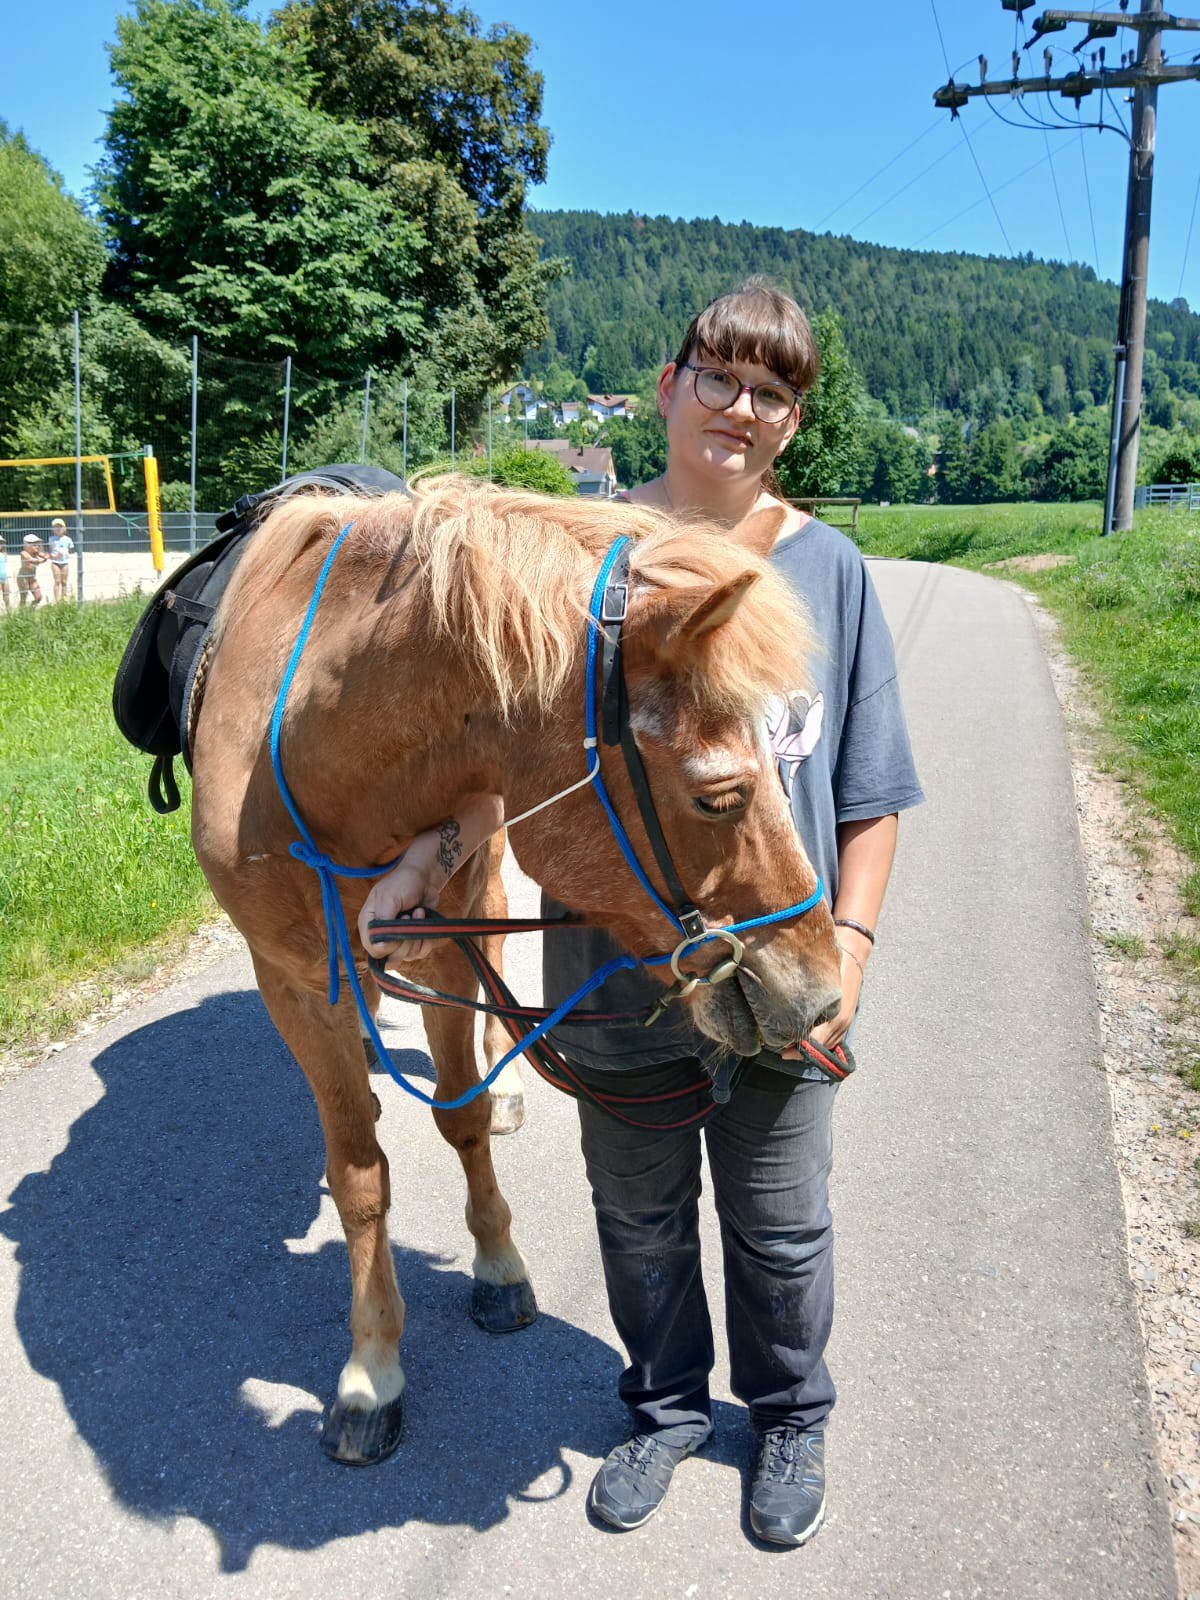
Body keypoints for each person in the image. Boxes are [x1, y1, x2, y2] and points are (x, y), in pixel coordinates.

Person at [359, 278, 924, 1546]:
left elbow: (872, 795)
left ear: (792, 423)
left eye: (771, 391)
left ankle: (787, 1415)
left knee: (780, 1227)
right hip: (609, 979)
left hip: (778, 973)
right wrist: (415, 873)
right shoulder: (574, 572)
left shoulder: (828, 572)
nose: (740, 406)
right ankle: (665, 1407)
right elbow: (500, 775)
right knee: (640, 1217)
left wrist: (855, 954)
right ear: (668, 388)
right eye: (717, 376)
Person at [47, 518, 74, 602]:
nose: (58, 529)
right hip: (55, 562)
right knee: (57, 581)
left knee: (64, 581)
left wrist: (65, 554)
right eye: (56, 527)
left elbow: (71, 550)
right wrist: (55, 556)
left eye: (60, 527)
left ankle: (64, 598)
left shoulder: (68, 539)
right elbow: (50, 552)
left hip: (65, 562)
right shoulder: (51, 539)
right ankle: (57, 600)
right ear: (53, 529)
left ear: (64, 529)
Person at [17, 534, 48, 606]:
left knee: (39, 597)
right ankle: (21, 611)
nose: (37, 546)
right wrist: (41, 560)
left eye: (38, 544)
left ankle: (31, 609)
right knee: (23, 597)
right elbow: (30, 559)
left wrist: (46, 555)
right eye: (34, 544)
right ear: (26, 545)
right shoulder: (24, 553)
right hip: (23, 578)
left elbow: (45, 555)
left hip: (32, 578)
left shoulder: (36, 553)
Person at [0, 541, 11, 611]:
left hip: (4, 576)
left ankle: (8, 611)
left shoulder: (3, 554)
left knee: (7, 594)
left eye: (1, 543)